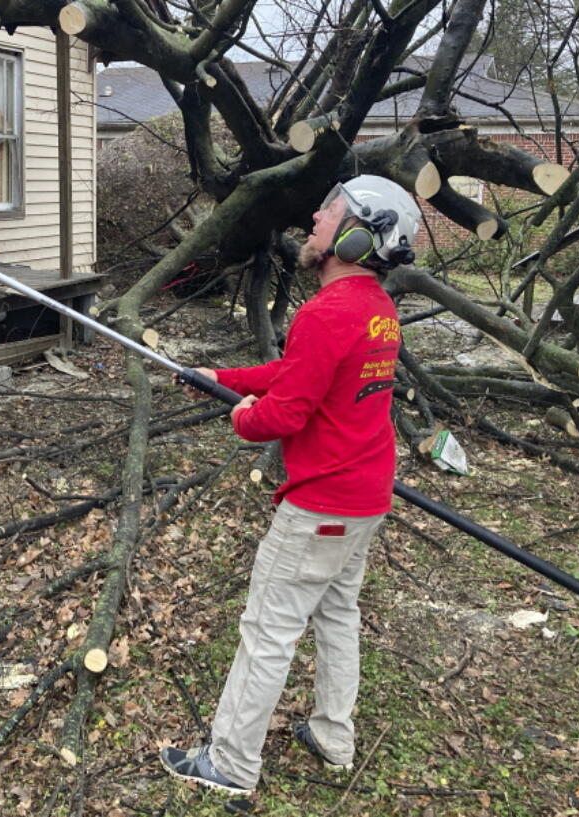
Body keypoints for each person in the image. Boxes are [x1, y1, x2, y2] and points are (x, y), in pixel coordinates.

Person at [160, 176, 421, 796]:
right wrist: (217, 374)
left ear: (357, 238)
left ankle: (229, 763)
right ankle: (333, 736)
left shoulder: (328, 311)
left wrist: (242, 414)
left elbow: (283, 414)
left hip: (321, 505)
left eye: (329, 212)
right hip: (364, 498)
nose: (315, 217)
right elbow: (294, 371)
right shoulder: (377, 310)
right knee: (336, 615)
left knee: (268, 630)